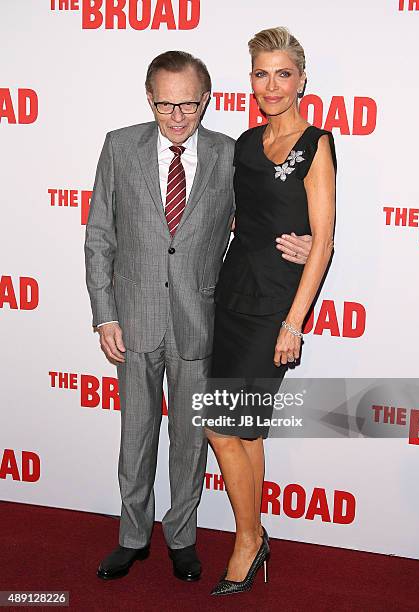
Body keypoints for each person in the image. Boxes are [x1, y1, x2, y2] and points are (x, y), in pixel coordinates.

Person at [84, 50, 313, 583]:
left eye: (189, 103)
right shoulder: (120, 146)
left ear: (206, 99)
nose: (178, 117)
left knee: (191, 439)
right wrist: (104, 314)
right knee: (135, 436)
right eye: (166, 105)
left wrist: (305, 242)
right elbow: (99, 235)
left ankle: (181, 538)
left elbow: (262, 214)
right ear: (150, 99)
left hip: (202, 321)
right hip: (133, 320)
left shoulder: (229, 153)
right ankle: (133, 536)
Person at [206, 27, 337, 596]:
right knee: (244, 431)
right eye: (262, 73)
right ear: (251, 81)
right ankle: (254, 534)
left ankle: (247, 540)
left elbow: (325, 237)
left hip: (275, 307)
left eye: (283, 73)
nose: (272, 84)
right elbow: (234, 218)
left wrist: (294, 322)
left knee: (219, 425)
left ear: (302, 80)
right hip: (232, 292)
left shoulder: (318, 143)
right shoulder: (241, 143)